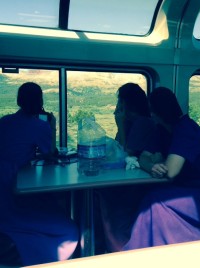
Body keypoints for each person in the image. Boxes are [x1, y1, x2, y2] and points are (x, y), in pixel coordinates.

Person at [0, 82, 79, 266]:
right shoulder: (39, 125)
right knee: (67, 229)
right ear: (40, 101)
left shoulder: (4, 121)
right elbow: (49, 153)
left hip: (6, 183)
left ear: (19, 101)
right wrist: (52, 127)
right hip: (11, 188)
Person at [122, 87, 200, 251]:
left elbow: (171, 171)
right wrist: (152, 166)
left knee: (155, 201)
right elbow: (144, 157)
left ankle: (138, 250)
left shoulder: (186, 129)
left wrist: (155, 166)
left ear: (154, 112)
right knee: (139, 195)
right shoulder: (161, 130)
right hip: (184, 187)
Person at [96, 83, 156, 253]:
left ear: (126, 103)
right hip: (129, 175)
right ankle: (105, 244)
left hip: (139, 180)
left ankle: (118, 246)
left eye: (120, 102)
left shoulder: (143, 123)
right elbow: (118, 146)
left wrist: (120, 124)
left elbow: (125, 152)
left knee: (108, 197)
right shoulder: (132, 123)